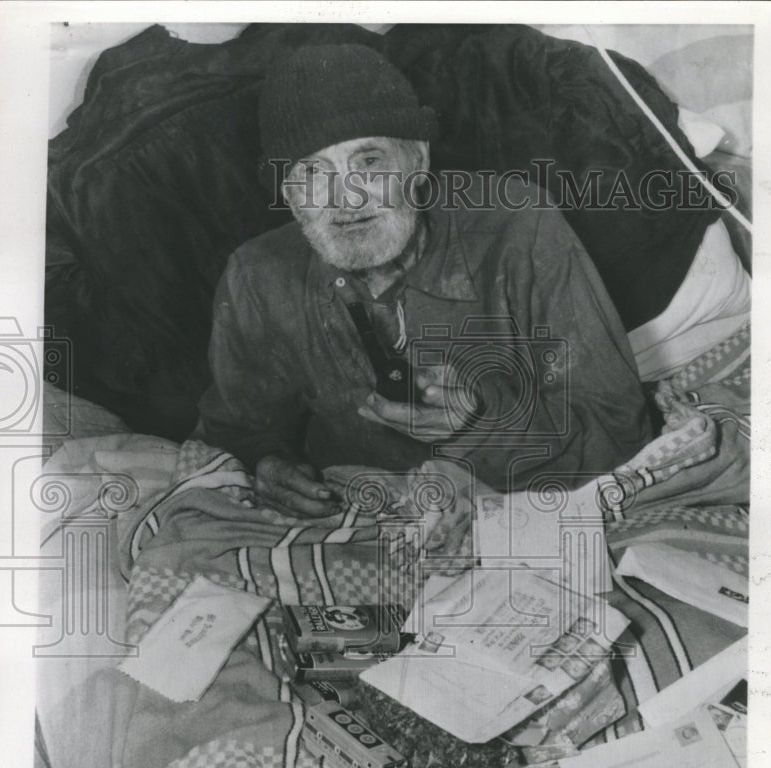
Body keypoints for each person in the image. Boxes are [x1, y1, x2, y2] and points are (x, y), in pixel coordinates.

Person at [196, 43, 652, 516]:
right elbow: (237, 430)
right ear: (289, 195)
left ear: (416, 162)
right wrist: (268, 463)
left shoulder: (521, 228)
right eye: (313, 171)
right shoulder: (256, 275)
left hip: (524, 510)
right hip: (361, 531)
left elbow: (621, 432)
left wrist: (480, 425)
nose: (346, 199)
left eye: (369, 162)